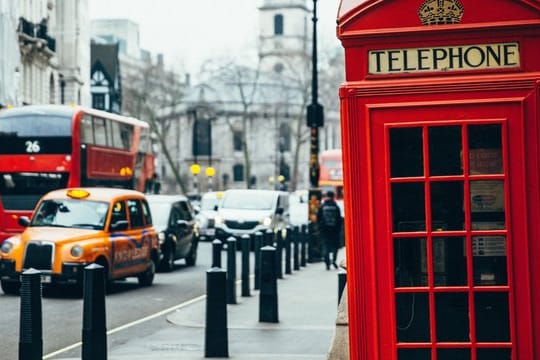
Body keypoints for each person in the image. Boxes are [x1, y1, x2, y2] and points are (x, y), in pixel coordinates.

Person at [317, 191, 343, 270]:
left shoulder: (322, 206)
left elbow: (318, 218)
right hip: (334, 230)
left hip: (325, 230)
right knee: (335, 246)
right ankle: (334, 260)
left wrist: (320, 228)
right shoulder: (335, 206)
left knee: (326, 245)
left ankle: (327, 262)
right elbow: (339, 219)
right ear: (333, 196)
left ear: (326, 196)